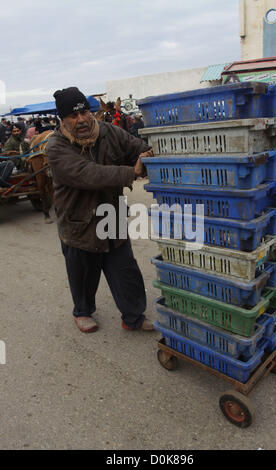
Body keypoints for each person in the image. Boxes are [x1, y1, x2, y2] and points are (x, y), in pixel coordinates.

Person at [46, 86, 154, 334]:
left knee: (126, 271)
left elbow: (135, 146)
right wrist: (132, 171)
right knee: (83, 273)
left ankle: (133, 316)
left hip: (112, 215)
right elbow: (86, 174)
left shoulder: (108, 132)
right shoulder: (56, 147)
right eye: (73, 116)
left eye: (84, 112)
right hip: (77, 221)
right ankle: (82, 311)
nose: (82, 119)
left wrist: (147, 154)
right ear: (62, 120)